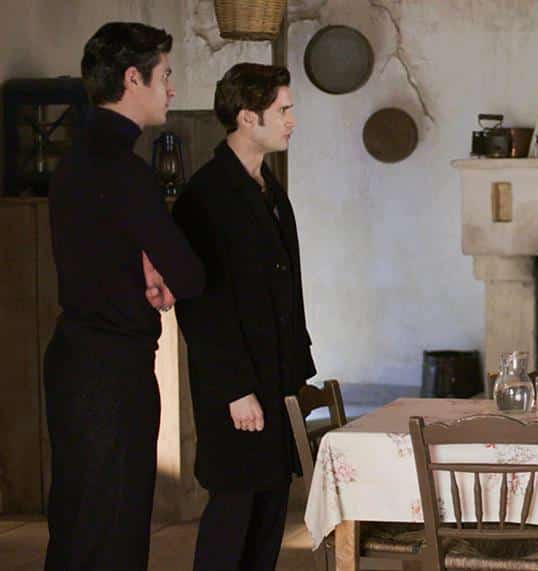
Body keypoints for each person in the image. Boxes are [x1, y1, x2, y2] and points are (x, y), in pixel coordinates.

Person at [44, 22, 205, 570]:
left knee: (78, 526)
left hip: (75, 360)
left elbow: (102, 251)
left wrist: (143, 259)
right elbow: (189, 276)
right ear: (133, 78)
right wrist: (157, 264)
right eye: (165, 76)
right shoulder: (124, 170)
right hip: (112, 373)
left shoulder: (75, 161)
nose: (172, 89)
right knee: (113, 532)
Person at [173, 63, 316, 571]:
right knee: (234, 506)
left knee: (271, 507)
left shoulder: (267, 187)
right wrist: (236, 388)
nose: (292, 120)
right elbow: (201, 304)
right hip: (237, 384)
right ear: (247, 117)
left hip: (275, 376)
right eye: (283, 110)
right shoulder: (206, 196)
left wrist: (296, 370)